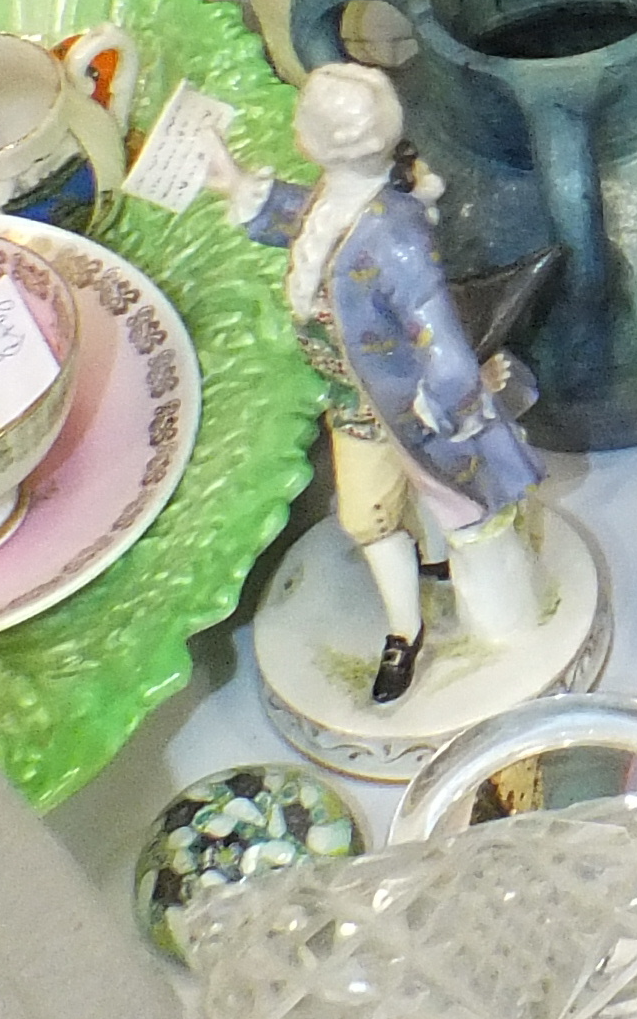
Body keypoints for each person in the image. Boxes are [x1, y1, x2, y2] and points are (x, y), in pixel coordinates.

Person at [205, 62, 544, 707]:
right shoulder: (344, 197)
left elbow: (436, 328)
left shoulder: (394, 234)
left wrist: (443, 399)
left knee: (370, 515)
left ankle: (404, 630)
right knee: (423, 500)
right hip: (355, 397)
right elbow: (301, 224)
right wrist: (234, 184)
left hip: (390, 404)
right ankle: (436, 570)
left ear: (308, 138)